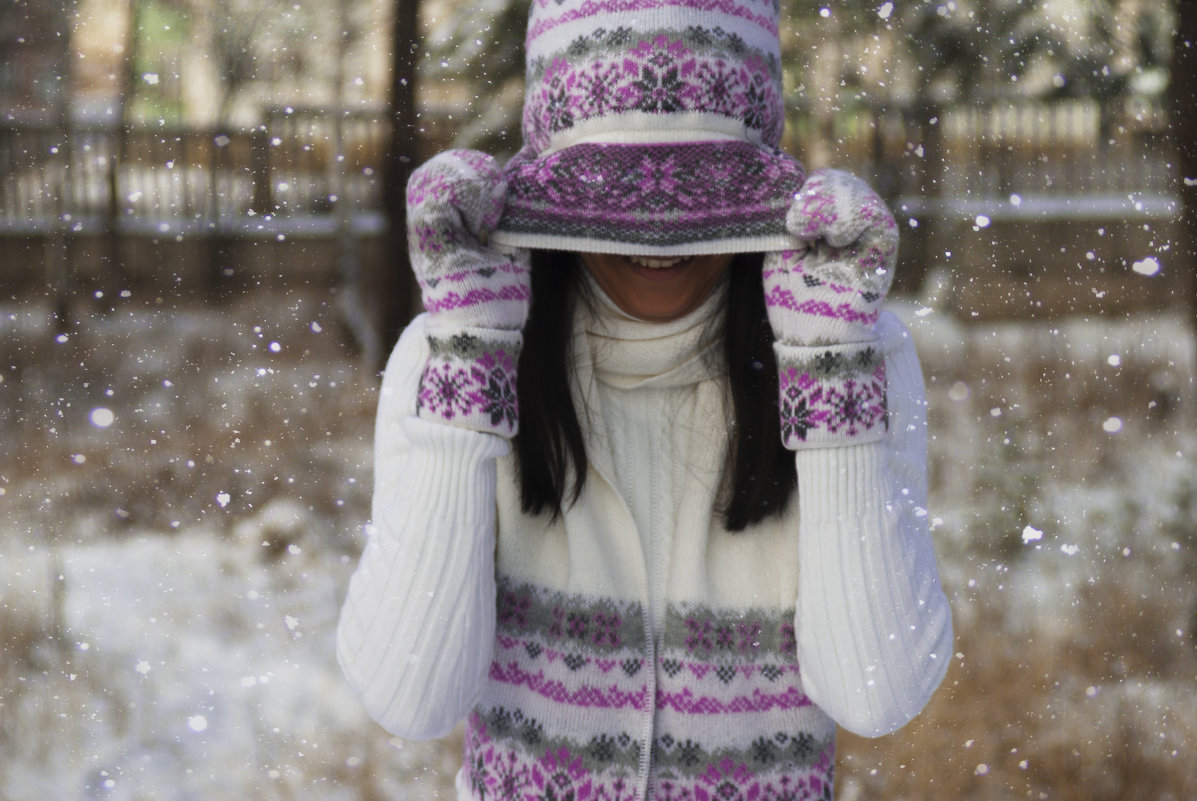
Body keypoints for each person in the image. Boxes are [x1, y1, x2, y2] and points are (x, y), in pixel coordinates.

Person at [336, 0, 953, 797]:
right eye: (611, 190)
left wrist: (826, 364)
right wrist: (471, 361)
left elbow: (877, 691)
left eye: (699, 189)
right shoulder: (450, 349)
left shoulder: (857, 350)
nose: (653, 228)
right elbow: (409, 694)